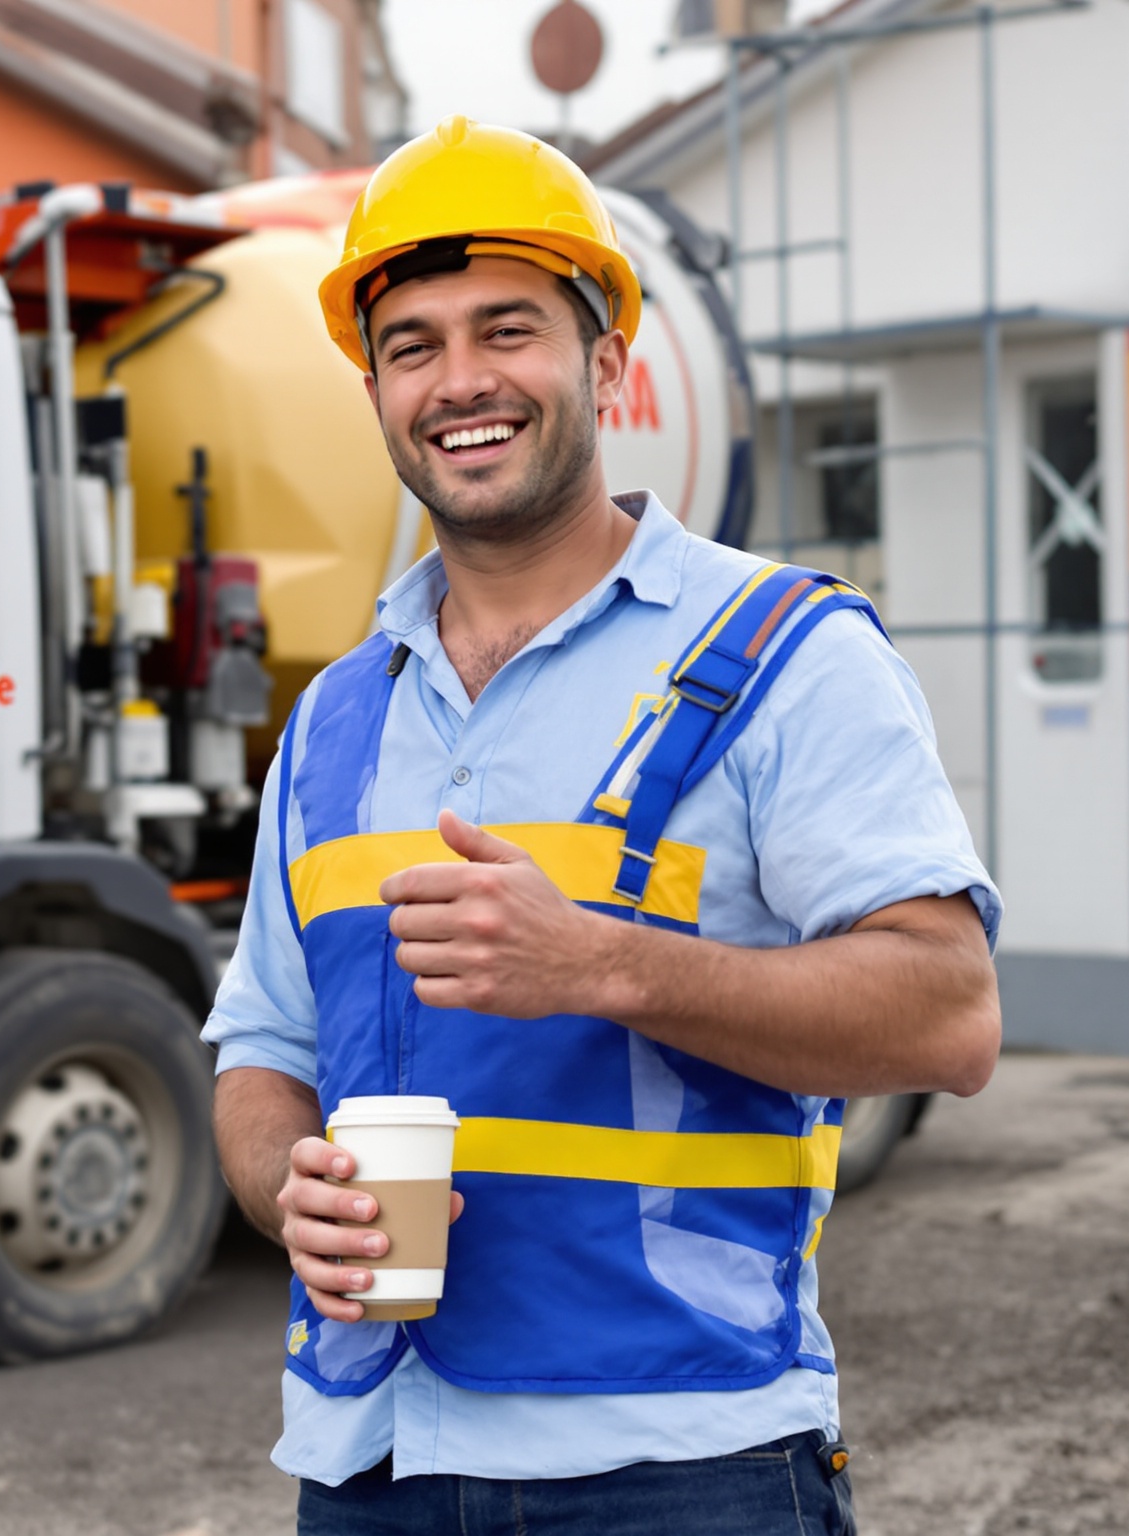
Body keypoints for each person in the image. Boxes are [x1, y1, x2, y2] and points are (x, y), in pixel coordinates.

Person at [204, 116, 1001, 1533]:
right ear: (379, 393)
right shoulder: (334, 720)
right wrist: (289, 1190)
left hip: (680, 1470)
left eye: (507, 329)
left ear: (609, 367)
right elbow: (266, 1055)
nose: (460, 382)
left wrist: (608, 965)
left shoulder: (788, 655)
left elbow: (949, 1014)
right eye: (412, 346)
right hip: (370, 1468)